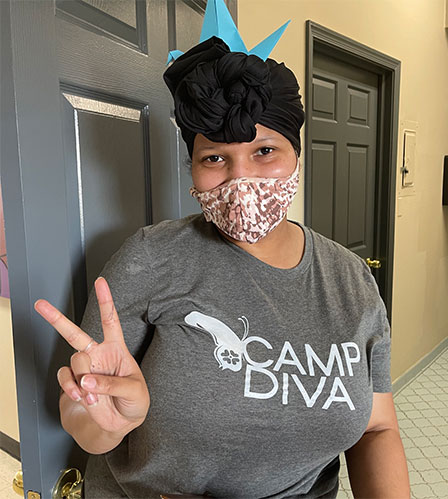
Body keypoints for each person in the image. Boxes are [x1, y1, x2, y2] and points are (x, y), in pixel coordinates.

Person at [34, 9, 410, 498]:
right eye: (214, 158)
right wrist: (107, 422)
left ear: (297, 156)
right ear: (191, 167)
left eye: (265, 151)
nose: (241, 179)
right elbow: (86, 417)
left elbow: (377, 427)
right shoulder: (151, 257)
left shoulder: (351, 278)